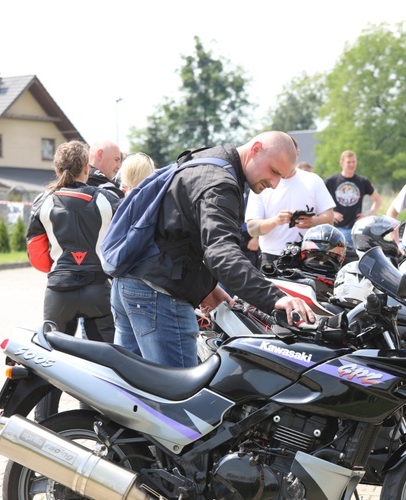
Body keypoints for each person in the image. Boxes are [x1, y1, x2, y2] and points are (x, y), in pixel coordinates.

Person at [110, 131, 315, 368]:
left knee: (133, 392)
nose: (274, 183)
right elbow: (221, 252)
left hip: (129, 284)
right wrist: (275, 298)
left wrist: (209, 288)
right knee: (178, 396)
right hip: (157, 297)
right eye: (274, 171)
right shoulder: (220, 183)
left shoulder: (206, 160)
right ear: (256, 149)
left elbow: (179, 235)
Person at [27, 140, 121, 420]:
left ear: (57, 169)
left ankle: (42, 433)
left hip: (59, 292)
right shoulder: (108, 198)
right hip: (100, 290)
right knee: (104, 368)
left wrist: (60, 267)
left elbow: (36, 254)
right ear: (86, 168)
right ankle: (101, 433)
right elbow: (125, 245)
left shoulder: (43, 201)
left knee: (49, 364)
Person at [246, 166, 335, 266]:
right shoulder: (262, 181)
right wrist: (275, 221)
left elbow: (330, 218)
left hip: (308, 256)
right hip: (272, 257)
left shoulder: (313, 180)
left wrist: (314, 221)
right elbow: (252, 229)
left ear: (297, 152)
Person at [324, 150, 382, 246]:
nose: (352, 164)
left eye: (354, 162)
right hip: (338, 229)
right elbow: (317, 200)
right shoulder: (331, 181)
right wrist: (331, 213)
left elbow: (378, 200)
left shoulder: (362, 181)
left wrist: (368, 216)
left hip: (357, 228)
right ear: (341, 163)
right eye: (348, 162)